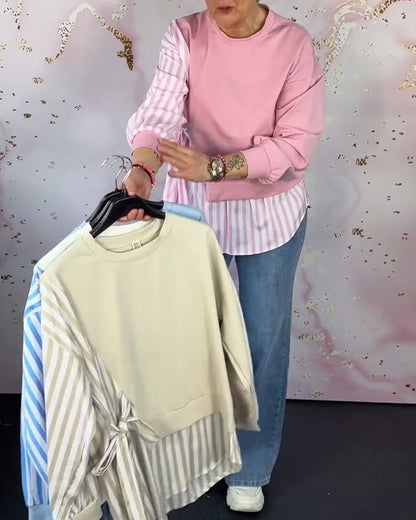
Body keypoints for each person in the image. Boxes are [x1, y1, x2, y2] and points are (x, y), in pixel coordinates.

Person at [124, 0, 324, 513]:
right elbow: (159, 114)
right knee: (187, 340)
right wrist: (142, 171)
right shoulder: (185, 35)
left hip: (270, 214)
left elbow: (295, 146)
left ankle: (250, 468)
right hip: (195, 212)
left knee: (259, 344)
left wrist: (214, 167)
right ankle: (190, 454)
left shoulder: (293, 44)